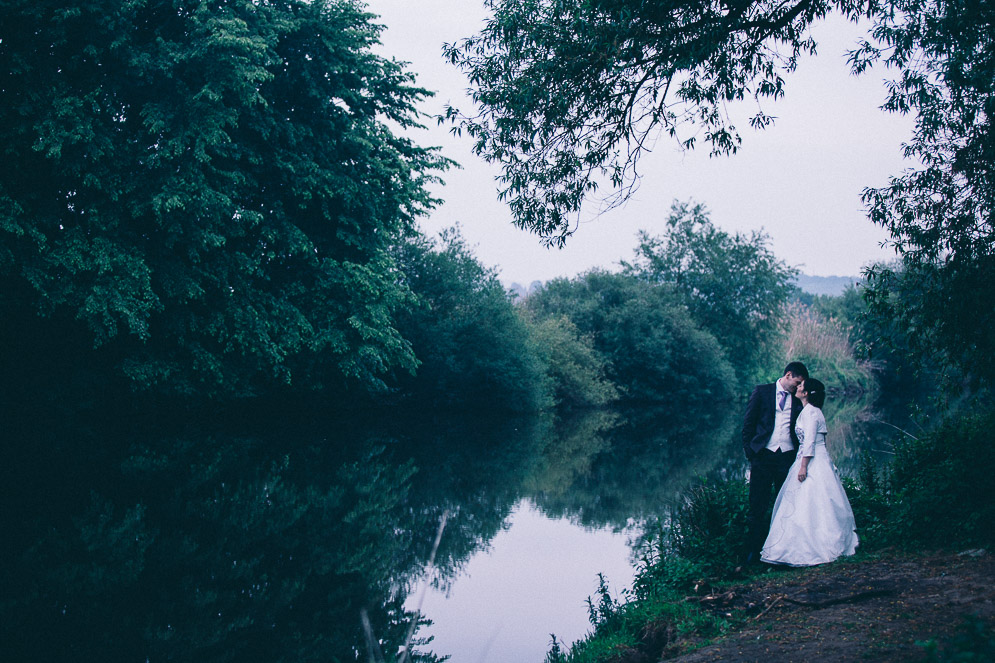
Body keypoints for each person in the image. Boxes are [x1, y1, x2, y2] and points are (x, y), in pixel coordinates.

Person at [761, 378, 859, 566]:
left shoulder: (812, 413)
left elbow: (810, 442)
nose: (797, 388)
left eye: (800, 386)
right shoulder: (808, 412)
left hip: (813, 461)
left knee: (815, 501)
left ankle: (818, 546)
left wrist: (803, 466)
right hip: (808, 458)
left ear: (805, 393)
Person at [741, 361, 808, 564]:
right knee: (757, 506)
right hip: (763, 457)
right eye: (797, 382)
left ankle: (782, 552)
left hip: (787, 458)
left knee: (785, 507)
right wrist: (752, 454)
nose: (798, 387)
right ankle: (752, 553)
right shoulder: (762, 392)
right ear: (788, 375)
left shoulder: (798, 400)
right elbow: (748, 426)